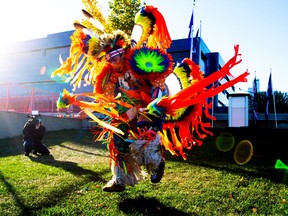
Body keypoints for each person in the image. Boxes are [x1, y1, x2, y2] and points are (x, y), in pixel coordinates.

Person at [52, 4, 249, 192]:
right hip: (126, 109)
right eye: (109, 58)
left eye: (117, 56)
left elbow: (158, 83)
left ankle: (156, 165)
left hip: (148, 106)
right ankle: (120, 179)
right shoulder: (109, 74)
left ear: (124, 53)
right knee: (117, 139)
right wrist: (80, 104)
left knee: (145, 135)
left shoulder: (138, 62)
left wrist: (153, 104)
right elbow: (104, 97)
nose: (114, 61)